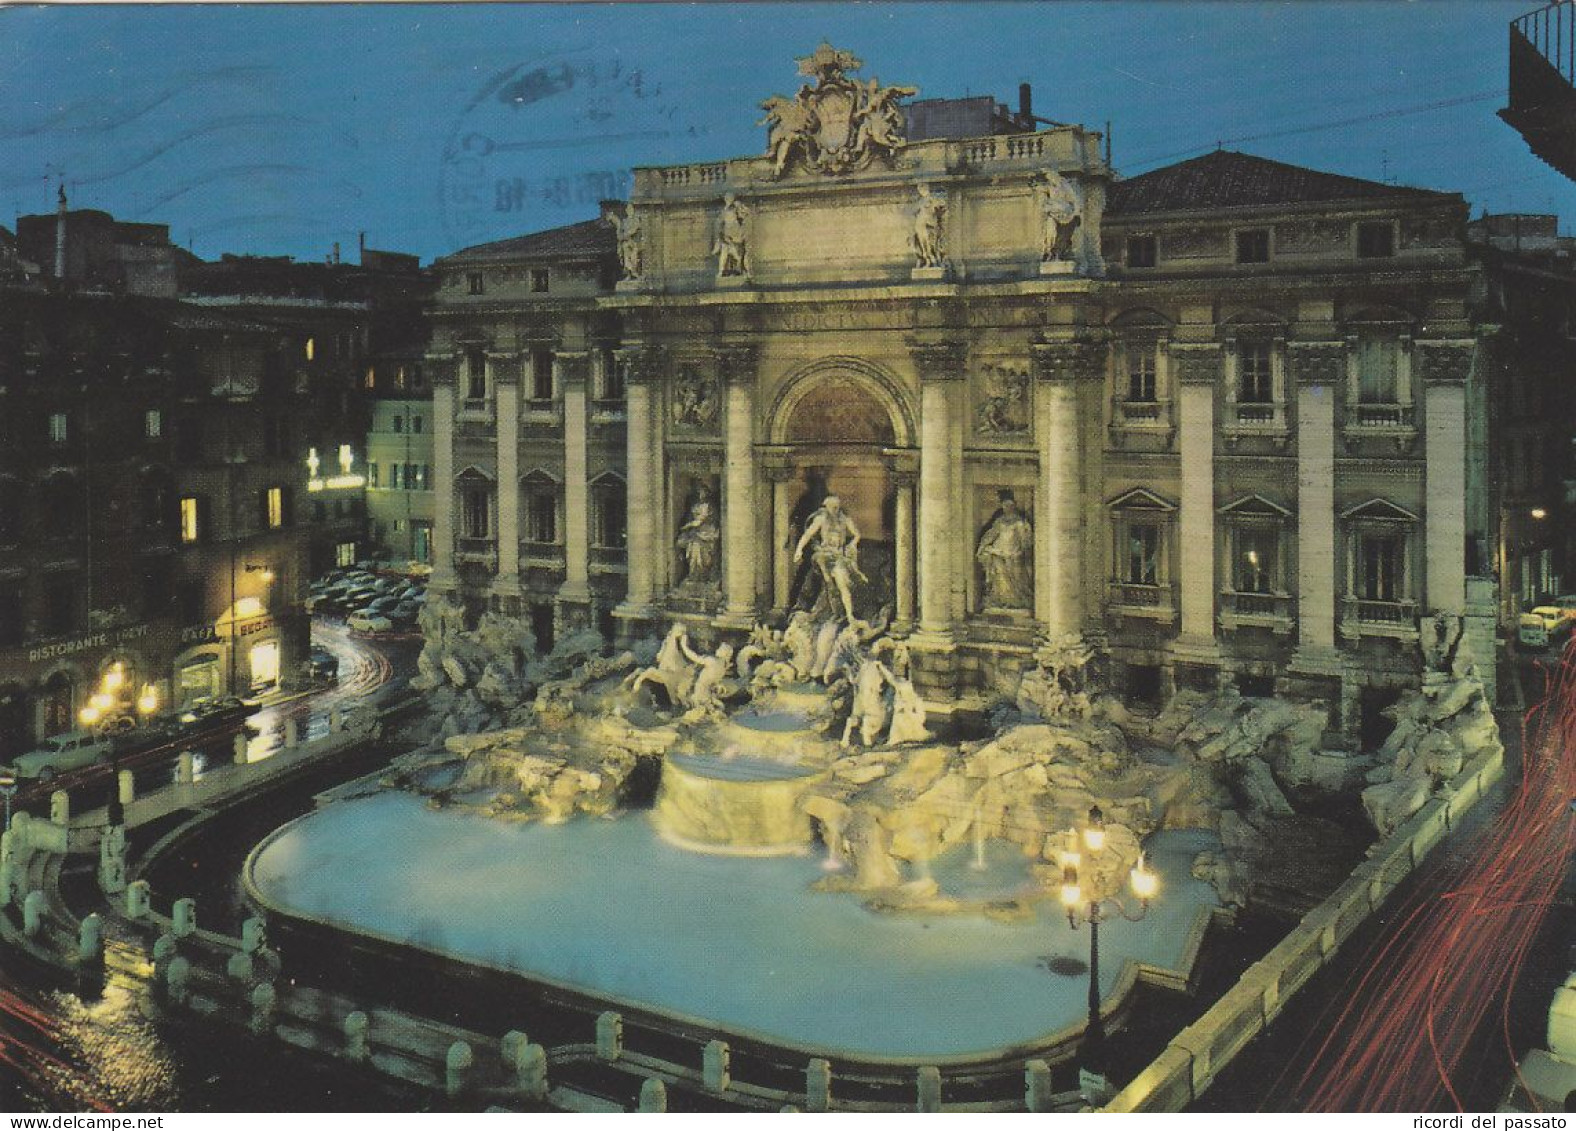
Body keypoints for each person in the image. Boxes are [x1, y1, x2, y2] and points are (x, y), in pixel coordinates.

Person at [794, 495, 862, 622]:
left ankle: (849, 615)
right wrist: (799, 549)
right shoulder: (821, 519)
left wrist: (853, 543)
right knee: (829, 583)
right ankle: (836, 612)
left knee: (842, 585)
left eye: (836, 507)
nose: (834, 509)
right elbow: (807, 534)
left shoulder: (845, 520)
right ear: (826, 507)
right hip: (824, 555)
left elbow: (857, 534)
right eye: (832, 507)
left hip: (838, 556)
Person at [976, 490, 1034, 610]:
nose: (1007, 508)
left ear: (1014, 505)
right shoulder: (999, 521)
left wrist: (1020, 551)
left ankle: (1015, 603)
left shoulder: (1020, 523)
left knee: (1017, 580)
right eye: (1005, 505)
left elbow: (1026, 541)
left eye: (1010, 505)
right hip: (999, 553)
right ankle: (1001, 601)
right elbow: (990, 535)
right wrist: (984, 547)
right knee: (1000, 579)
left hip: (1014, 555)